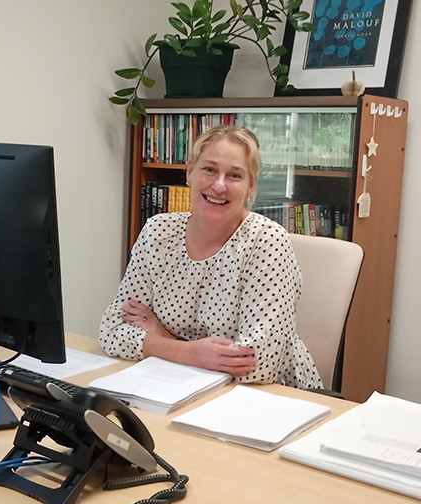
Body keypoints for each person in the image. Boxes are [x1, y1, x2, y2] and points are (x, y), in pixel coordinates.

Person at [99, 125, 322, 389]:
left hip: (269, 397)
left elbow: (259, 364)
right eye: (210, 169)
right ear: (190, 172)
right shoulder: (158, 231)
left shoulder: (266, 241)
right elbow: (112, 331)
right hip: (178, 386)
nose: (218, 185)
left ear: (251, 187)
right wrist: (195, 352)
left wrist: (162, 337)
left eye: (235, 175)